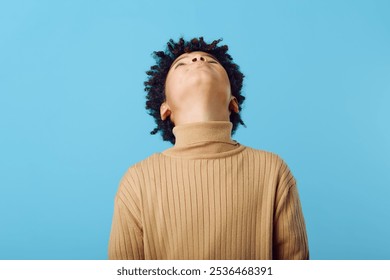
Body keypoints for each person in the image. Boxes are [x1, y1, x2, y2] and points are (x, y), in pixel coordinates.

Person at [108, 37, 309, 260]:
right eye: (181, 64)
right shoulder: (138, 179)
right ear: (165, 108)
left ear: (234, 102)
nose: (198, 58)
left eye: (212, 62)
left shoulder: (273, 170)